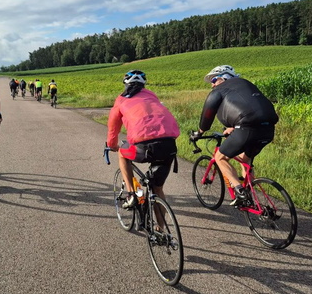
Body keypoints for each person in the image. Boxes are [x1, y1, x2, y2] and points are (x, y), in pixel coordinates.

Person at [190, 65, 279, 204]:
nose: (212, 84)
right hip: (268, 128)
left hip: (247, 128)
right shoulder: (245, 84)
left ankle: (240, 191)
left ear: (223, 78)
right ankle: (251, 195)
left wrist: (199, 132)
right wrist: (233, 128)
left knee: (220, 158)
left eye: (214, 80)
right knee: (245, 160)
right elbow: (249, 107)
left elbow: (208, 114)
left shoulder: (220, 89)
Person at [107, 70, 180, 210]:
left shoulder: (121, 100)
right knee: (157, 190)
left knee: (122, 153)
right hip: (169, 145)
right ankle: (161, 229)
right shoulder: (152, 97)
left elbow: (113, 127)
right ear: (143, 85)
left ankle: (131, 195)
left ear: (125, 84)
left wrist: (112, 144)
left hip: (143, 147)